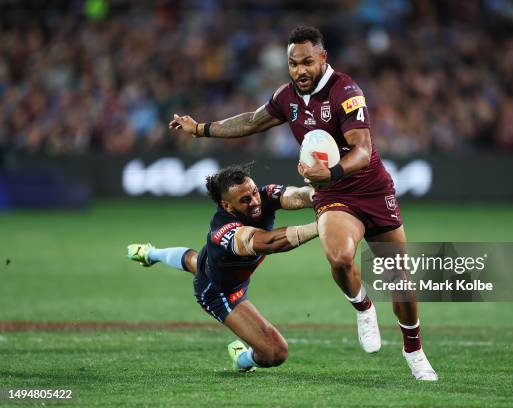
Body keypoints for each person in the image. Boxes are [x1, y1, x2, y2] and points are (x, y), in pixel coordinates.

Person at [168, 26, 437, 381]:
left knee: (398, 277)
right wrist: (201, 129)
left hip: (370, 189)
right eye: (293, 64)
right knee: (340, 258)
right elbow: (251, 121)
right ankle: (363, 305)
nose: (300, 71)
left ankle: (413, 350)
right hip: (332, 193)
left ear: (322, 58)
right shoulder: (287, 97)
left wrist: (334, 171)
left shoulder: (346, 92)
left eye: (307, 62)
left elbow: (363, 150)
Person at [127, 163, 317, 372]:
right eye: (245, 200)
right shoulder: (223, 229)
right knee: (275, 352)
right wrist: (321, 226)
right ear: (227, 206)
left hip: (216, 264)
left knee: (193, 261)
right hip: (220, 292)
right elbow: (268, 243)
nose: (255, 202)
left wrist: (326, 199)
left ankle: (151, 254)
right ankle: (242, 359)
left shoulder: (262, 197)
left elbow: (298, 195)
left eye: (254, 193)